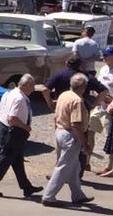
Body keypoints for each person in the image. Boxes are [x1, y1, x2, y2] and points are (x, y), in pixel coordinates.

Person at [0, 74, 40, 198]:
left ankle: (26, 186)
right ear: (27, 85)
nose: (34, 89)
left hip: (4, 127)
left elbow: (1, 111)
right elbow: (13, 118)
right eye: (32, 86)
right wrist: (26, 127)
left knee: (17, 158)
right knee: (5, 159)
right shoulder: (19, 99)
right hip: (13, 131)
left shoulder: (8, 94)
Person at [39, 73, 91, 207]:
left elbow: (56, 115)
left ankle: (77, 195)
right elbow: (76, 124)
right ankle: (49, 196)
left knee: (74, 166)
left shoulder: (64, 95)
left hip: (61, 131)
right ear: (84, 87)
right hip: (70, 135)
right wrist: (85, 143)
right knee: (64, 166)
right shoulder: (77, 101)